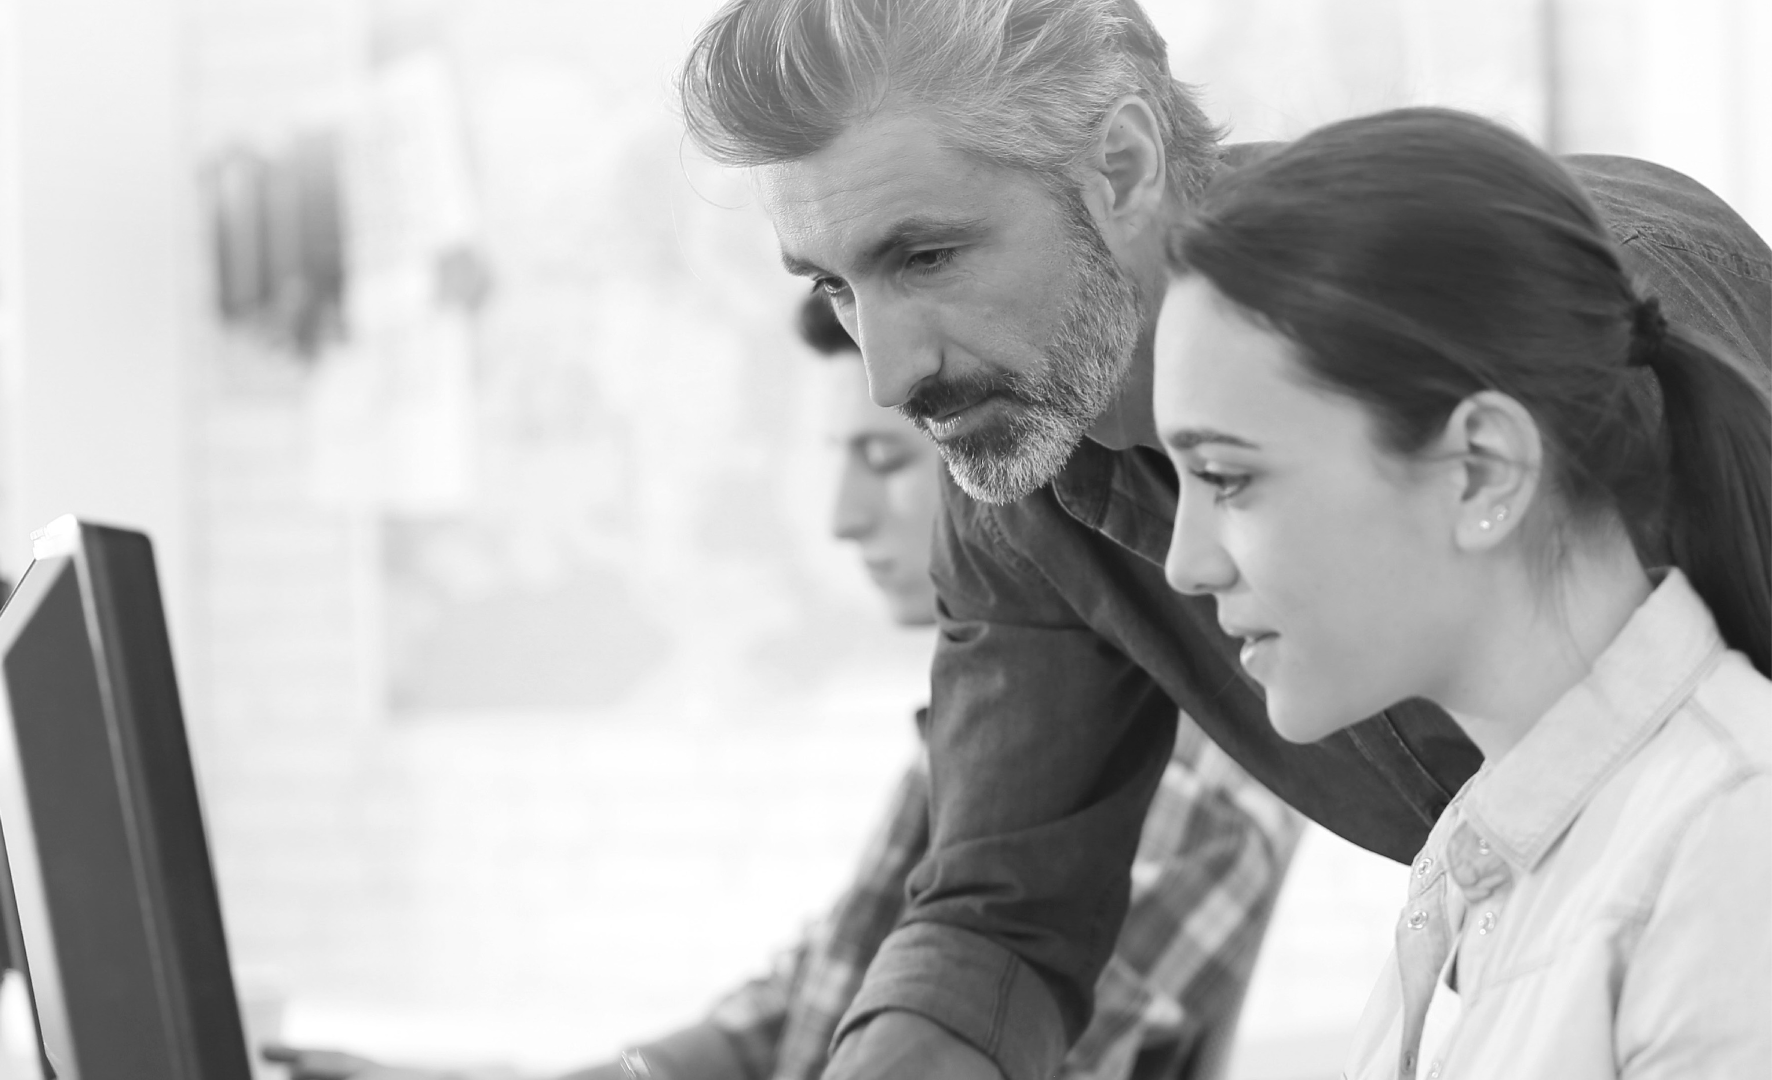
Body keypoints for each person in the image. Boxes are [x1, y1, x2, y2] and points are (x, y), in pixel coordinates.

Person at [677, 2, 1771, 1078]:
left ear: (1120, 165)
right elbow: (1000, 917)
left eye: (926, 256)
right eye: (834, 286)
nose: (887, 375)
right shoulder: (1018, 446)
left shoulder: (1568, 325)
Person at [270, 292, 1303, 1080]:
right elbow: (796, 1007)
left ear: (1005, 459)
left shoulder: (1184, 783)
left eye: (885, 462)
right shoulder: (983, 730)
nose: (842, 518)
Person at [1153, 106, 1771, 1078]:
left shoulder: (1730, 853)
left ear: (1482, 469)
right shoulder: (1479, 858)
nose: (1186, 562)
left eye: (1229, 478)